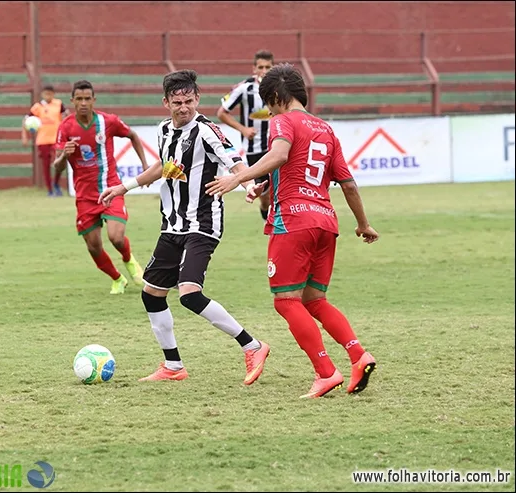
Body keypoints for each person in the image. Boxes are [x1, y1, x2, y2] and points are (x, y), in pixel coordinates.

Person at [206, 63, 379, 398]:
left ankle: (326, 372)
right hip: (326, 222)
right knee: (314, 300)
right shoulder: (326, 129)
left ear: (274, 97)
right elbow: (347, 183)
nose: (267, 110)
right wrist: (363, 223)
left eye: (267, 103)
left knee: (286, 301)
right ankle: (359, 355)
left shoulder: (282, 121)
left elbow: (282, 155)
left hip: (293, 223)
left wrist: (238, 178)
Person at [99, 69, 271, 384]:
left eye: (189, 101)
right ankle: (174, 367)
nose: (184, 108)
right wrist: (123, 188)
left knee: (189, 294)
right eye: (177, 102)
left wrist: (247, 184)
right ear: (166, 102)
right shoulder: (164, 130)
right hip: (172, 225)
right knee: (152, 294)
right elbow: (162, 166)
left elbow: (233, 161)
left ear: (197, 99)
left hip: (203, 223)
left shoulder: (208, 131)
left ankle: (253, 346)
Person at [54, 79, 149, 295]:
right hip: (85, 195)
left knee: (116, 237)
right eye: (79, 99)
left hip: (111, 188)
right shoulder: (66, 127)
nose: (84, 103)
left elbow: (132, 135)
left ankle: (129, 260)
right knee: (93, 246)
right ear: (72, 101)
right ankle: (117, 279)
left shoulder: (108, 121)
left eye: (88, 98)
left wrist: (145, 165)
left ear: (94, 100)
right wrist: (63, 155)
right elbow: (57, 168)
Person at [217, 50, 275, 222]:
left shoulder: (280, 87)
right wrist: (243, 129)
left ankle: (277, 225)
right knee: (264, 196)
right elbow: (222, 113)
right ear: (254, 68)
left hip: (277, 146)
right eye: (261, 67)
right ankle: (266, 215)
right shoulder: (244, 89)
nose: (264, 70)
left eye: (268, 67)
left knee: (281, 188)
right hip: (254, 148)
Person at [22, 84, 69, 196]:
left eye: (50, 94)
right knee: (46, 165)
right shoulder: (37, 107)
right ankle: (50, 190)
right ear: (42, 94)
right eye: (46, 93)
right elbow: (26, 120)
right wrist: (24, 136)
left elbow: (67, 117)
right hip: (43, 140)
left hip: (56, 139)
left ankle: (56, 183)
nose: (48, 96)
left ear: (53, 94)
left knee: (60, 163)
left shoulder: (59, 104)